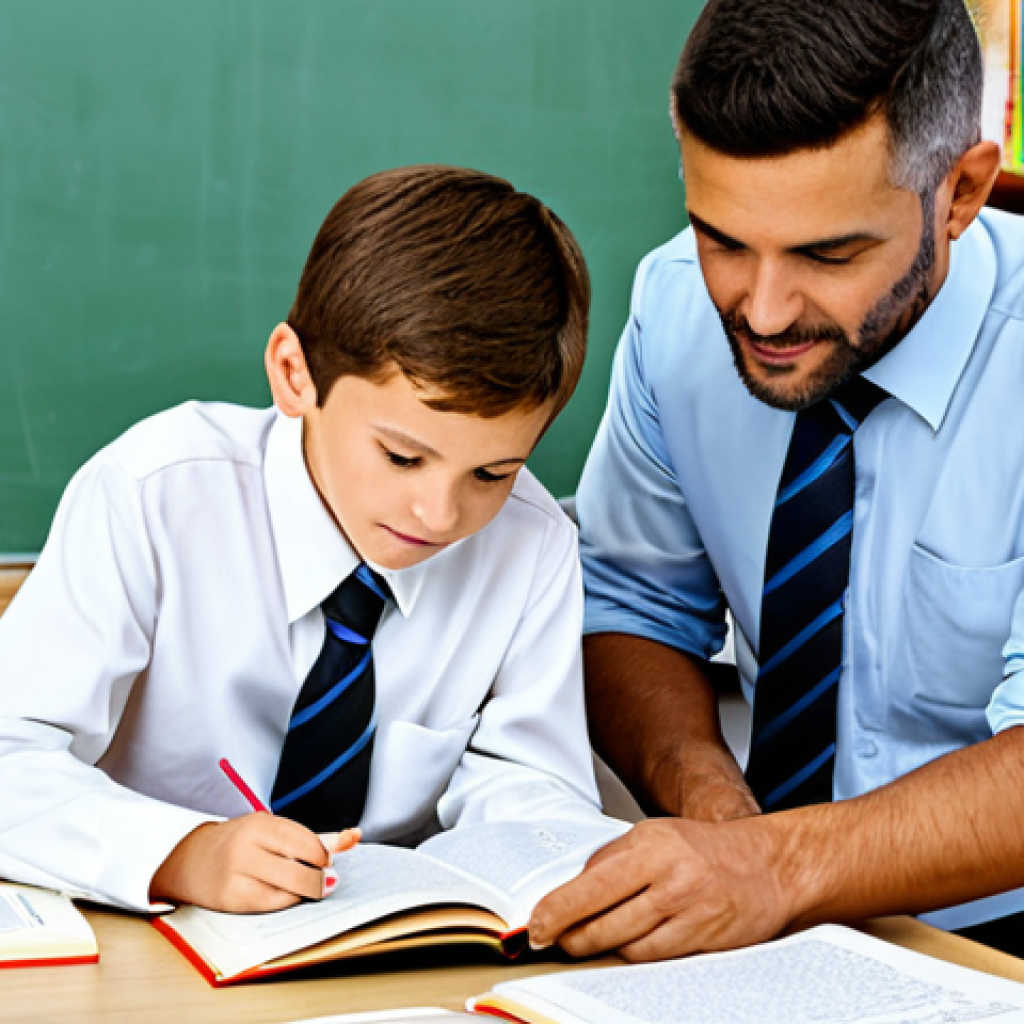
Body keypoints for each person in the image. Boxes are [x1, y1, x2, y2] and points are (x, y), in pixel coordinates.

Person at [527, 0, 1024, 961]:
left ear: (960, 192)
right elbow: (630, 606)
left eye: (828, 255)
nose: (761, 311)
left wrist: (775, 865)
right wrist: (710, 800)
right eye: (723, 238)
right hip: (771, 938)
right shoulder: (675, 308)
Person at [0, 164, 604, 914]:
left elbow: (533, 790)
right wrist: (178, 853)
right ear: (295, 374)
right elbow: (8, 759)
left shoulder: (532, 544)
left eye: (492, 472)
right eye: (402, 457)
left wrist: (554, 865)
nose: (439, 512)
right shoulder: (153, 497)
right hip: (147, 953)